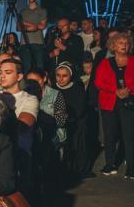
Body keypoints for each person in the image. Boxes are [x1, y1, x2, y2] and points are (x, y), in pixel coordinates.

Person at [94, 32, 134, 177]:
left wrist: (128, 90)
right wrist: (115, 91)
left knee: (129, 136)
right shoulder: (105, 63)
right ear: (113, 45)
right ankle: (110, 164)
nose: (124, 45)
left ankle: (131, 169)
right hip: (109, 102)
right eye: (120, 42)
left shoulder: (133, 61)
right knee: (109, 135)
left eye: (126, 43)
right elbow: (98, 82)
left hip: (129, 101)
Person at [54, 63, 90, 180]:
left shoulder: (77, 89)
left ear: (71, 76)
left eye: (64, 76)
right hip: (58, 124)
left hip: (76, 123)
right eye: (58, 75)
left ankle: (80, 170)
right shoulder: (53, 89)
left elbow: (80, 109)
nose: (61, 78)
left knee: (79, 145)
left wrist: (67, 117)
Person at [18, 0, 47, 73]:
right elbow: (18, 27)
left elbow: (42, 26)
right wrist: (34, 26)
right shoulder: (22, 11)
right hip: (24, 43)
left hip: (38, 42)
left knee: (39, 67)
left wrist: (26, 24)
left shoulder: (42, 10)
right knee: (26, 67)